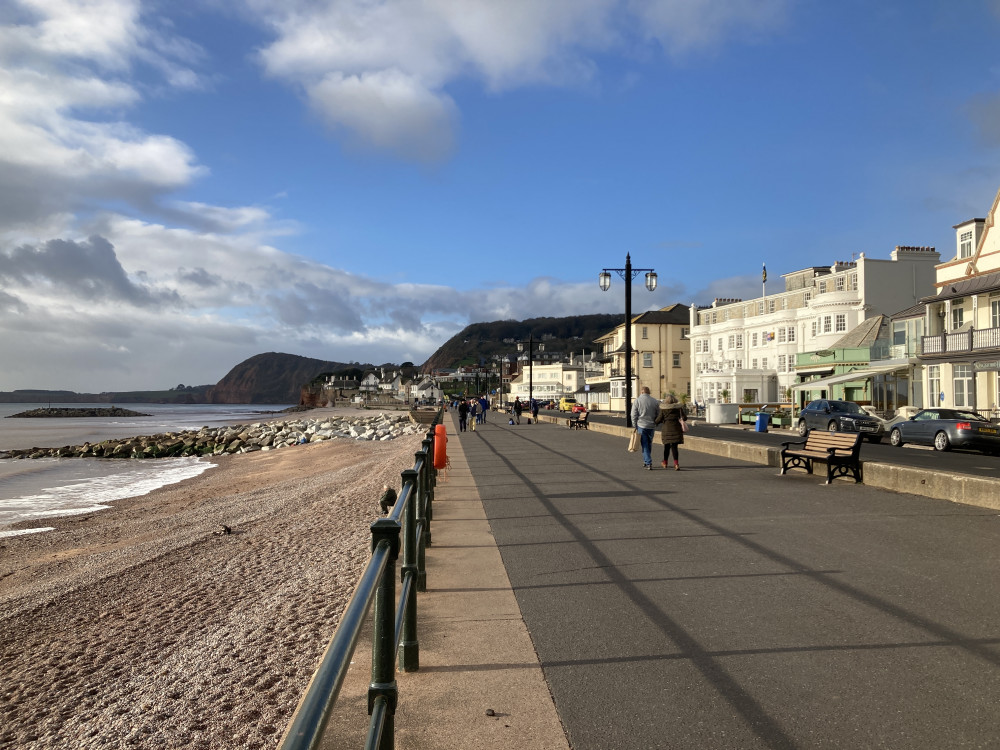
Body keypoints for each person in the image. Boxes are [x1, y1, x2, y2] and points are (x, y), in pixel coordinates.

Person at [630, 386, 661, 469]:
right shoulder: (655, 401)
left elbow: (633, 414)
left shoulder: (637, 401)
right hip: (651, 426)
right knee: (649, 443)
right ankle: (646, 460)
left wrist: (634, 425)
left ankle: (648, 462)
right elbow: (658, 414)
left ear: (641, 392)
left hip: (641, 425)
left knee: (644, 444)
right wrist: (656, 423)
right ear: (649, 392)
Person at [657, 393, 687, 470]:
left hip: (666, 429)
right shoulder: (678, 408)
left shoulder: (663, 409)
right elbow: (684, 418)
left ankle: (665, 462)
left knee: (666, 447)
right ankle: (676, 464)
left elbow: (659, 419)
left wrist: (654, 422)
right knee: (674, 447)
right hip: (676, 429)